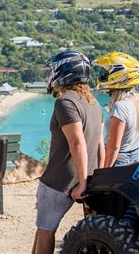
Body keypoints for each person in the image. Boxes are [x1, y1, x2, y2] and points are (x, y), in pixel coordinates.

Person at [32, 50, 104, 254]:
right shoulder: (94, 104)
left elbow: (77, 144)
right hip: (89, 177)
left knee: (45, 231)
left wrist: (81, 183)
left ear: (63, 72)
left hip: (59, 181)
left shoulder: (65, 102)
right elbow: (100, 146)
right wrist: (95, 177)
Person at [92, 52, 139, 168]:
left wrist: (105, 172)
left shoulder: (120, 107)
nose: (103, 76)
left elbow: (114, 147)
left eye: (106, 73)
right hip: (135, 158)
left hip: (118, 161)